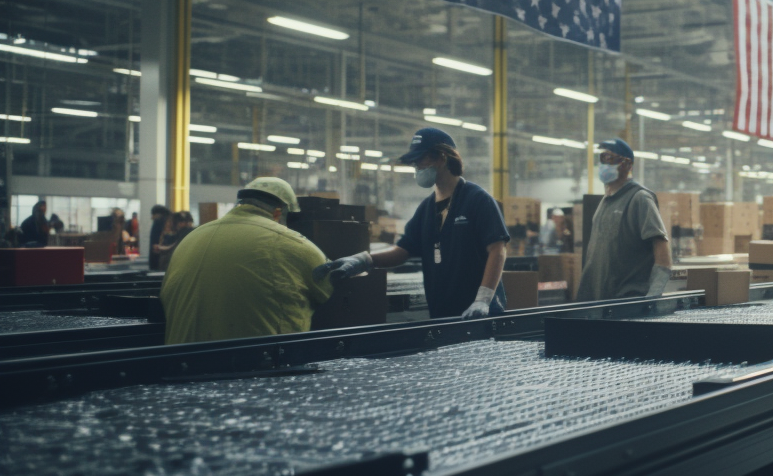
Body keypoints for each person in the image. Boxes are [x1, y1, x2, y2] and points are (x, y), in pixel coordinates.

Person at [315, 127, 510, 318]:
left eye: (421, 159)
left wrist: (483, 300)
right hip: (443, 313)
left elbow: (497, 249)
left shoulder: (477, 200)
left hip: (481, 313)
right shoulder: (426, 209)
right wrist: (363, 260)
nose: (416, 166)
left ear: (442, 157)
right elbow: (402, 251)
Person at [162, 178, 333, 344]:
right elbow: (336, 287)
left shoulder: (190, 239)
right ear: (279, 213)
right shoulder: (292, 243)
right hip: (256, 367)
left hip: (177, 364)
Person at [575, 139, 672, 302]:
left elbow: (663, 255)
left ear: (626, 164)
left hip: (625, 303)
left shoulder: (640, 199)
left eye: (609, 159)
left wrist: (651, 300)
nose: (604, 164)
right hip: (598, 302)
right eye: (602, 158)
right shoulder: (606, 201)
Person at [147, 204, 172, 270]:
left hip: (158, 256)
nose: (152, 218)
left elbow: (154, 240)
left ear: (158, 214)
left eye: (153, 215)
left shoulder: (158, 223)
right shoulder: (169, 223)